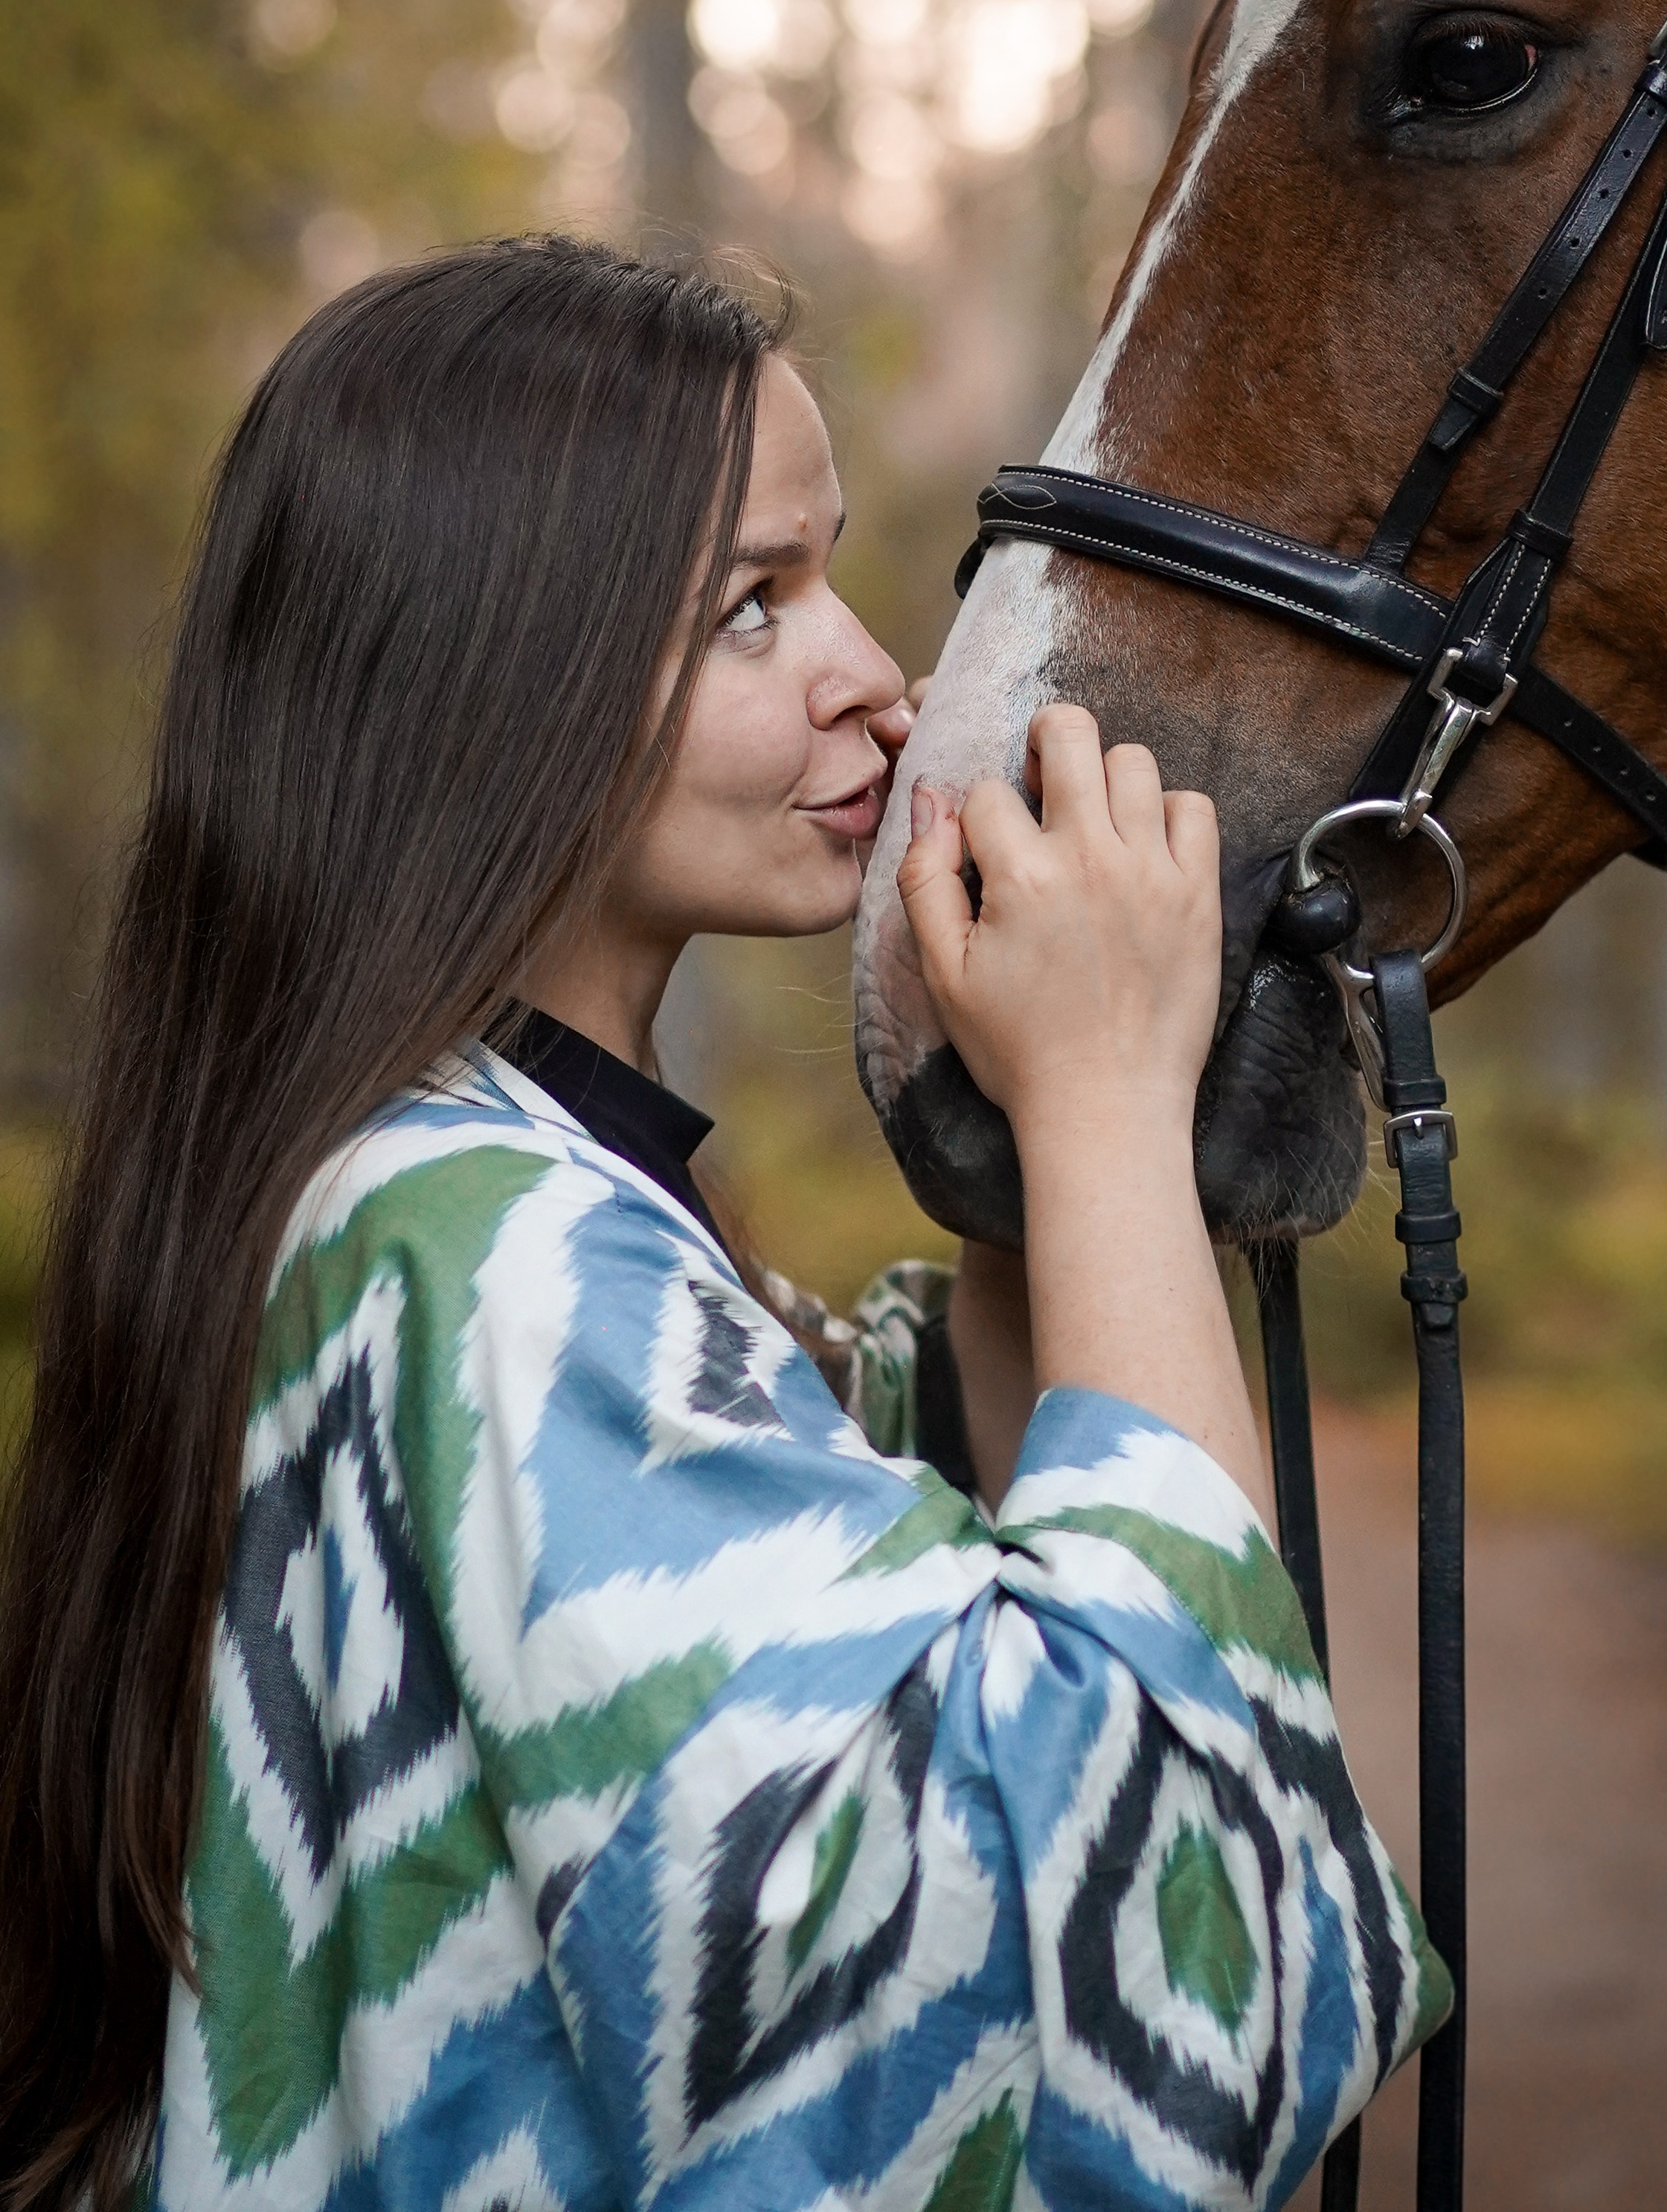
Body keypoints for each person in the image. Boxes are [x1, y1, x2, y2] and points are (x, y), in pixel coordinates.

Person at [0, 237, 1445, 2212]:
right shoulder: (488, 1264)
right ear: (483, 676)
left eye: (828, 574)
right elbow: (1114, 2008)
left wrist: (1028, 1124)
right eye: (750, 611)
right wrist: (1108, 1099)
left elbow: (890, 1576)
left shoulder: (433, 1191)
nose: (874, 678)